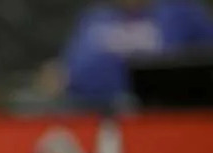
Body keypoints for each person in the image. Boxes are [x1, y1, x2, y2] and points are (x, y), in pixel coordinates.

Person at [53, 0, 213, 108]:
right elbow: (64, 72)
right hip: (96, 112)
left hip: (165, 115)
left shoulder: (181, 13)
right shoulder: (94, 18)